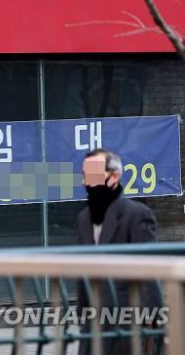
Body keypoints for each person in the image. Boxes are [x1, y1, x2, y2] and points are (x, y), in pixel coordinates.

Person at [77, 148, 162, 355]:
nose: (87, 181)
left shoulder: (137, 215)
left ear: (114, 176)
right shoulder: (83, 218)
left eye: (94, 174)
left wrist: (151, 325)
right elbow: (82, 272)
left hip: (128, 326)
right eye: (85, 175)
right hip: (92, 325)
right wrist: (82, 315)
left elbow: (150, 274)